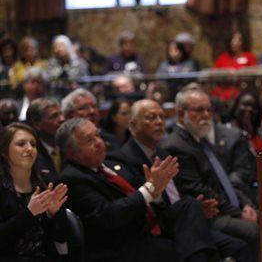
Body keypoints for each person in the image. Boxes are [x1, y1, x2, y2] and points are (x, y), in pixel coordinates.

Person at [113, 99, 251, 261]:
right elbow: (141, 208)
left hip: (183, 219)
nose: (159, 122)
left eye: (161, 117)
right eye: (151, 117)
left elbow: (179, 195)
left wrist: (198, 211)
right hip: (158, 227)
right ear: (133, 125)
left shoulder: (162, 153)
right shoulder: (125, 159)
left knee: (239, 247)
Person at [57, 118, 180, 261]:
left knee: (189, 212)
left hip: (150, 233)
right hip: (119, 249)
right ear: (71, 152)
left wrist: (157, 191)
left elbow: (143, 194)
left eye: (97, 135)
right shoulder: (72, 179)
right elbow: (108, 215)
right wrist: (151, 189)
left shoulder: (113, 162)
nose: (98, 142)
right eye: (89, 140)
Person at [159, 89, 259, 257]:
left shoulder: (199, 139)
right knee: (252, 231)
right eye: (199, 110)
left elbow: (223, 180)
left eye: (208, 110)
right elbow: (200, 189)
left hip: (224, 208)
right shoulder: (176, 146)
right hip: (206, 215)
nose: (206, 115)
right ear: (181, 114)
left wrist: (245, 204)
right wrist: (238, 213)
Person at [0, 123, 68, 260]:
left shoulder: (44, 184)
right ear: (4, 152)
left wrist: (53, 214)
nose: (30, 149)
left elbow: (62, 238)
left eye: (33, 144)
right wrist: (29, 213)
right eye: (21, 144)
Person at [61, 88, 122, 153]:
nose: (92, 111)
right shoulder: (63, 146)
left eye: (94, 106)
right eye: (84, 108)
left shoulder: (111, 139)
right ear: (69, 116)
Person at [26, 98, 66, 183]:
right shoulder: (30, 155)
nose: (62, 119)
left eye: (61, 114)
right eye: (54, 116)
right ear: (36, 124)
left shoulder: (70, 145)